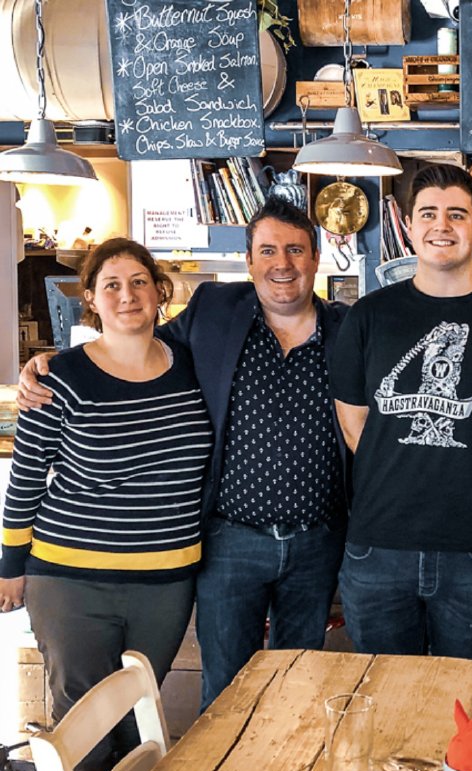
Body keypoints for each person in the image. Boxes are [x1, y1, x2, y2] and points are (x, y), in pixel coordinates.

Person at [18, 198, 350, 711]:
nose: (281, 263)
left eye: (294, 250)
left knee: (298, 682)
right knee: (224, 690)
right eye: (267, 251)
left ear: (316, 256)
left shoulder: (350, 327)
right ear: (249, 261)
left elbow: (423, 325)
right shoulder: (214, 312)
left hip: (316, 544)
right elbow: (131, 343)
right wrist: (52, 363)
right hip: (230, 543)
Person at [1, 238, 211, 771]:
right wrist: (9, 566)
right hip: (71, 582)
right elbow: (25, 478)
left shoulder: (193, 367)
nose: (127, 295)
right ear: (91, 299)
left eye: (139, 281)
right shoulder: (59, 377)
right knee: (85, 728)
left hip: (165, 583)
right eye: (111, 285)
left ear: (160, 292)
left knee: (138, 715)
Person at [332, 162, 472, 663]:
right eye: (429, 214)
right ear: (409, 227)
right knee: (381, 700)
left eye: (457, 215)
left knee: (466, 703)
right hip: (379, 548)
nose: (442, 226)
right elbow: (355, 423)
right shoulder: (369, 317)